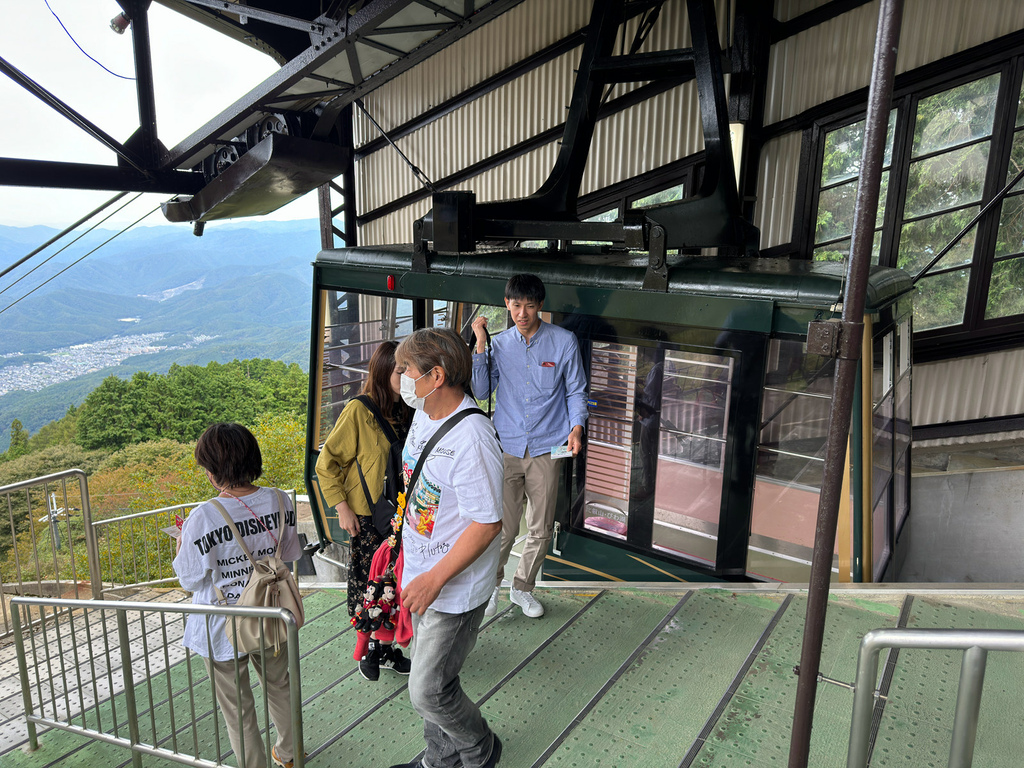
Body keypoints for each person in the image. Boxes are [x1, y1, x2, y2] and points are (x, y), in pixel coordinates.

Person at [389, 327, 504, 768]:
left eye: (406, 370)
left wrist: (435, 578)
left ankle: (480, 749)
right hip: (422, 573)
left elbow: (487, 523)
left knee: (428, 690)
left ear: (435, 377)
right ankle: (438, 760)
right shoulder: (425, 414)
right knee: (431, 677)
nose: (399, 377)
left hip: (452, 588)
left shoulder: (472, 438)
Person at [173, 423, 301, 768]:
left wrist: (184, 540)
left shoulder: (204, 516)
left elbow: (189, 578)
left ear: (214, 472)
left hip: (221, 623)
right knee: (280, 685)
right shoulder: (280, 499)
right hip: (271, 614)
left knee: (237, 708)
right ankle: (289, 755)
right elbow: (288, 554)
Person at [472, 274, 588, 618]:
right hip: (506, 446)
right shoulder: (498, 344)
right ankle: (491, 587)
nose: (522, 312)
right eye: (516, 305)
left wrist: (577, 428)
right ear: (507, 304)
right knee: (502, 528)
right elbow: (480, 392)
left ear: (540, 306)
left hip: (548, 447)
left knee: (540, 527)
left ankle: (522, 588)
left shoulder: (563, 342)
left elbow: (576, 390)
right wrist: (480, 342)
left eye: (530, 305)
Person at [315, 340, 412, 677]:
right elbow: (326, 464)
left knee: (394, 586)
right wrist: (341, 507)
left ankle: (388, 648)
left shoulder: (408, 410)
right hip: (369, 519)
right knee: (368, 586)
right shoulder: (360, 411)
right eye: (401, 370)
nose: (407, 376)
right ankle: (369, 649)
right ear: (384, 371)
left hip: (403, 516)